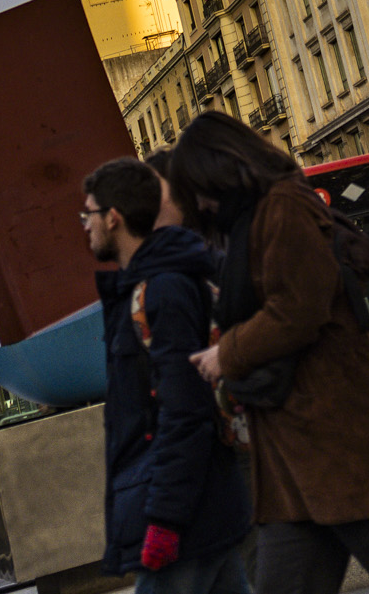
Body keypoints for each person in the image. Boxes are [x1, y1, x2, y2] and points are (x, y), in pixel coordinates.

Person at [168, 114, 369, 594]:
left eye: (198, 189)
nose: (200, 204)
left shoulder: (283, 207)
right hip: (297, 457)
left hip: (341, 440)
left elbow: (298, 308)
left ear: (219, 169)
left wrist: (225, 355)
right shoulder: (249, 222)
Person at [87, 154, 252, 594]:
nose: (85, 225)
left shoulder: (163, 289)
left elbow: (184, 411)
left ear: (114, 218)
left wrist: (164, 519)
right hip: (197, 508)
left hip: (185, 517)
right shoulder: (144, 288)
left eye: (89, 214)